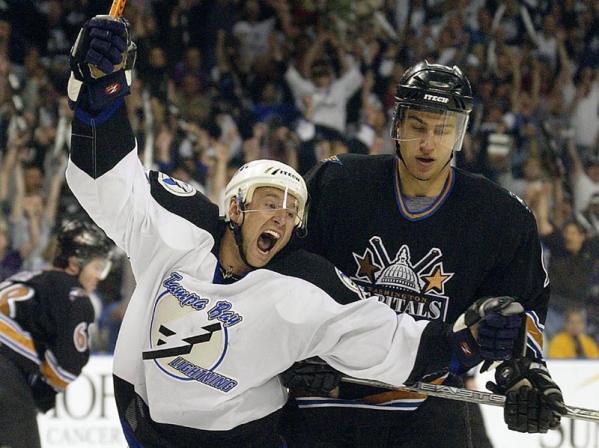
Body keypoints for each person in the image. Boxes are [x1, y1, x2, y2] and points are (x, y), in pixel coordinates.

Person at [64, 17, 526, 448]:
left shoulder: (305, 286)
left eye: (291, 212)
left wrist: (466, 343)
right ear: (234, 207)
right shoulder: (179, 228)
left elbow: (390, 342)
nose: (281, 217)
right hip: (148, 427)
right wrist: (97, 93)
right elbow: (109, 184)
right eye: (269, 202)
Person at [284, 61, 567, 447]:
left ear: (460, 134)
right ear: (397, 125)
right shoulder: (337, 184)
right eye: (418, 126)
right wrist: (294, 349)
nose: (429, 143)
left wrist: (525, 370)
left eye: (442, 129)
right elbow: (284, 274)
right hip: (327, 393)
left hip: (428, 395)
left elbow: (521, 307)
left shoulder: (501, 216)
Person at [0, 220, 112, 448]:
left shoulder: (28, 277)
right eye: (97, 267)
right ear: (73, 265)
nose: (100, 276)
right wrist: (39, 396)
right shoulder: (75, 295)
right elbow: (66, 366)